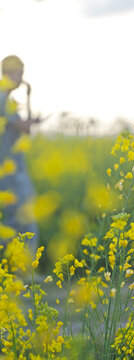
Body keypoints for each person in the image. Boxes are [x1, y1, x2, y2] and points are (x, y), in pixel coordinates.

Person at [0, 55, 39, 252]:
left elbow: (26, 129)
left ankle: (18, 269)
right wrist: (29, 96)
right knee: (22, 217)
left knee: (14, 220)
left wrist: (28, 98)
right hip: (8, 170)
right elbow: (24, 126)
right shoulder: (1, 97)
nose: (22, 77)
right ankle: (22, 269)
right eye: (20, 73)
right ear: (9, 72)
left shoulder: (9, 100)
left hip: (13, 168)